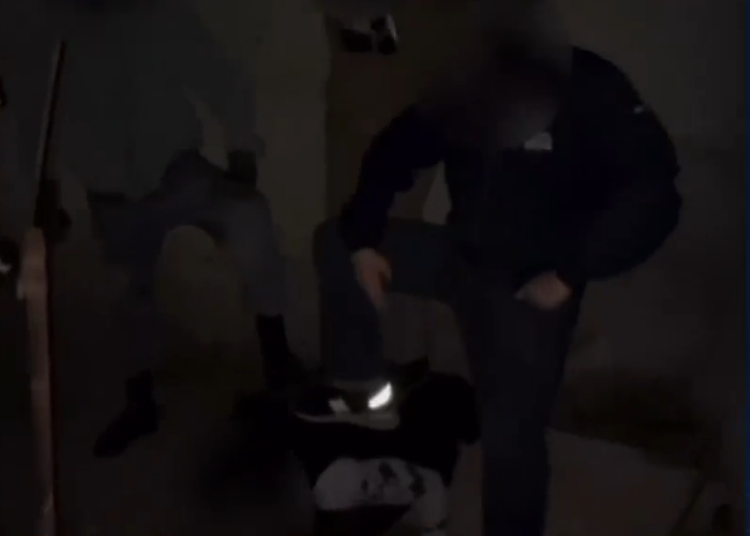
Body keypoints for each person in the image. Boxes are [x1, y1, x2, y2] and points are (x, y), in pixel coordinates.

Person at [291, 42, 681, 536]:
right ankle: (366, 399)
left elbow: (656, 194)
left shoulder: (588, 84)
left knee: (512, 440)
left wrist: (572, 272)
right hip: (461, 257)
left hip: (528, 286)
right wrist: (365, 237)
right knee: (337, 243)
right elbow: (398, 146)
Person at [16, 0, 304, 457]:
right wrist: (43, 192)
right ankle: (140, 400)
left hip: (178, 172)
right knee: (127, 292)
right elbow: (35, 120)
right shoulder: (53, 39)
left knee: (249, 217)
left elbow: (220, 75)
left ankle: (278, 358)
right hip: (111, 192)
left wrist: (242, 147)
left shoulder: (158, 16)